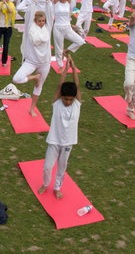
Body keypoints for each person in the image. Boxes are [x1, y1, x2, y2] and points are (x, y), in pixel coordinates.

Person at [38, 55, 81, 199]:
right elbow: (59, 86)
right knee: (47, 167)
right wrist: (65, 70)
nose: (68, 101)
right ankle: (45, 183)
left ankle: (57, 187)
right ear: (61, 96)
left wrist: (74, 69)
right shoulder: (56, 103)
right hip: (54, 141)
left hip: (68, 142)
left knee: (62, 167)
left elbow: (77, 86)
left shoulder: (77, 104)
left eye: (70, 99)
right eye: (66, 98)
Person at [13, 0, 52, 117]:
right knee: (16, 79)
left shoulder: (47, 28)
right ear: (35, 21)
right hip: (31, 62)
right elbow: (30, 11)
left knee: (39, 86)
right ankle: (34, 77)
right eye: (39, 21)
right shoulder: (31, 29)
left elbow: (50, 12)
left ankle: (32, 108)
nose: (42, 23)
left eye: (43, 21)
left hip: (45, 63)